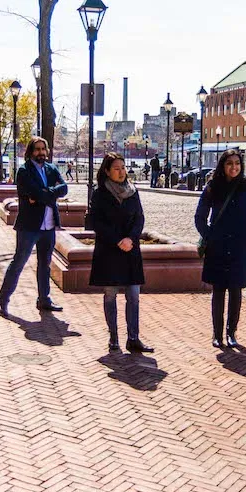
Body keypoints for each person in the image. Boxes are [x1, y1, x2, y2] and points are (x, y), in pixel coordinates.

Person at [194, 149, 246, 348]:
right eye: (229, 163)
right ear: (222, 166)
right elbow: (199, 217)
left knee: (235, 291)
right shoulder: (212, 187)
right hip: (218, 246)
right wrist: (210, 236)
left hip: (239, 248)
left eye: (237, 163)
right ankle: (217, 334)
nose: (234, 167)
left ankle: (231, 333)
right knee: (218, 291)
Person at [88, 152, 153, 354]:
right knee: (110, 295)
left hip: (130, 250)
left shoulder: (133, 192)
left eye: (123, 168)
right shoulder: (100, 193)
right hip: (109, 251)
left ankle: (133, 338)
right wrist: (117, 240)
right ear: (107, 171)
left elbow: (139, 219)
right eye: (116, 168)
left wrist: (131, 239)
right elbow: (96, 222)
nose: (121, 172)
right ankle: (113, 337)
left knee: (134, 295)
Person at [0, 137, 68, 317]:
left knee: (45, 264)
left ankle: (44, 299)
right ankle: (3, 300)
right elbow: (35, 193)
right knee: (18, 263)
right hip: (29, 226)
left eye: (44, 149)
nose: (41, 152)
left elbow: (64, 188)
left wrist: (45, 195)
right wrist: (48, 195)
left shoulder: (51, 169)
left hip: (49, 225)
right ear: (30, 151)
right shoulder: (24, 171)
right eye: (37, 149)